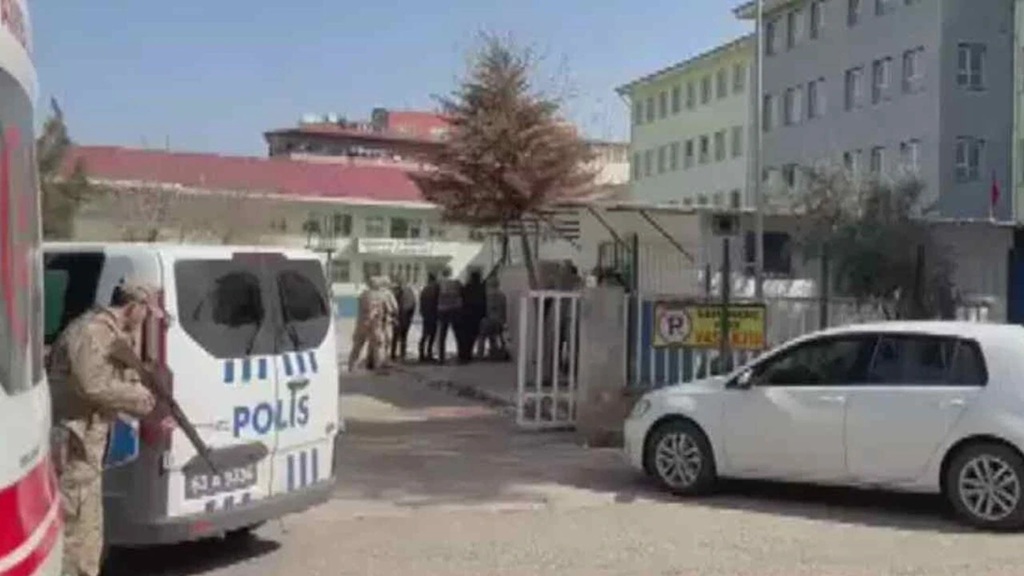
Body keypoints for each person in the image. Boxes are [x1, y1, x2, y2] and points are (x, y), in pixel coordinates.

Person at [47, 279, 171, 576]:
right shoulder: (92, 332)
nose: (147, 319)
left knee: (89, 530)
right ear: (134, 306)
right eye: (146, 311)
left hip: (90, 444)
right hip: (75, 443)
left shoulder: (116, 335)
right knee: (75, 529)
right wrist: (146, 403)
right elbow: (93, 385)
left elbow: (123, 383)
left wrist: (155, 411)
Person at [347, 278, 379, 372]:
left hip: (363, 323)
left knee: (360, 345)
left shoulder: (365, 294)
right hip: (367, 323)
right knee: (363, 345)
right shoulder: (368, 295)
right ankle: (354, 365)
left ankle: (354, 365)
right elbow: (369, 310)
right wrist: (375, 311)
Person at [458, 269, 487, 363]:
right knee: (472, 336)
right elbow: (484, 302)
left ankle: (463, 354)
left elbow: (461, 296)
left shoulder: (467, 287)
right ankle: (468, 353)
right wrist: (484, 314)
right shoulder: (482, 288)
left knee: (465, 335)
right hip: (476, 315)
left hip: (465, 314)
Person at [435, 267, 462, 364]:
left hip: (442, 310)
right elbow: (461, 294)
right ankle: (460, 355)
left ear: (443, 273)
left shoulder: (439, 283)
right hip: (455, 309)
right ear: (451, 273)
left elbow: (436, 296)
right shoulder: (456, 282)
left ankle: (441, 357)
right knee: (457, 333)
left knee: (442, 334)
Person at [477, 275, 508, 359]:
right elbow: (504, 309)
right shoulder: (502, 296)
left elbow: (484, 308)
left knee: (482, 337)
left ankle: (480, 354)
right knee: (494, 336)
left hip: (487, 319)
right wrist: (504, 321)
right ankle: (494, 353)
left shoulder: (486, 295)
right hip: (498, 320)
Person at [390, 275, 417, 361]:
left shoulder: (396, 292)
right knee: (403, 337)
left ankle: (394, 354)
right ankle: (402, 354)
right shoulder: (409, 291)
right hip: (405, 317)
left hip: (400, 316)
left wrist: (393, 316)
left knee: (396, 336)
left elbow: (393, 305)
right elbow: (413, 304)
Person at [418, 273, 440, 362]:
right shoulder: (436, 288)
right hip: (433, 314)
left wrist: (422, 312)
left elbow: (421, 301)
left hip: (426, 314)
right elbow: (437, 301)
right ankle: (429, 353)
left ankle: (421, 353)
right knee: (432, 335)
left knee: (425, 334)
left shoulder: (425, 289)